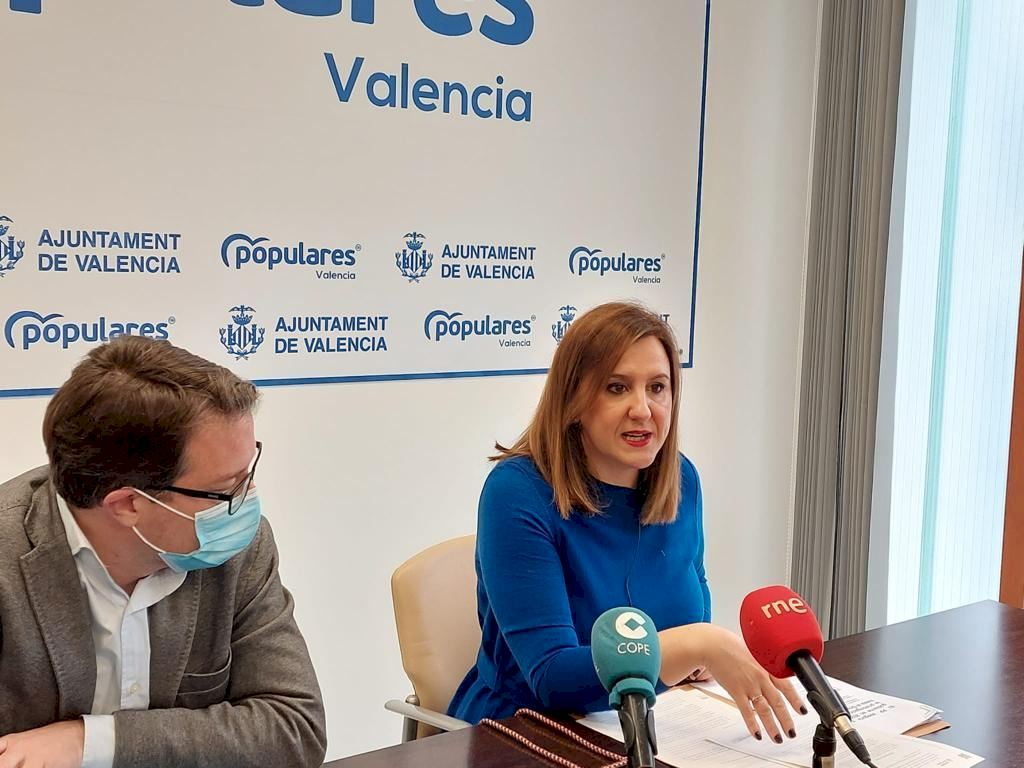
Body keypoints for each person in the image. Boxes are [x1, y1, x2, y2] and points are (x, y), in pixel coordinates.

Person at [448, 302, 805, 744]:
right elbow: (552, 678)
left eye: (657, 387)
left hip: (649, 721)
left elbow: (692, 611)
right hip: (527, 730)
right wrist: (699, 645)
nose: (642, 409)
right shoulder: (517, 492)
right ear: (573, 401)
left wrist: (700, 658)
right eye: (617, 388)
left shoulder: (681, 479)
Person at [0, 335, 326, 768]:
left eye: (247, 473)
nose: (246, 499)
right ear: (128, 505)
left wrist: (90, 742)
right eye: (224, 489)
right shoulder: (8, 556)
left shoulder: (237, 548)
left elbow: (294, 729)